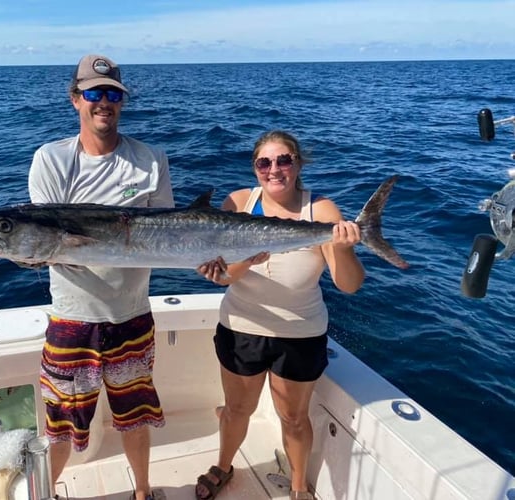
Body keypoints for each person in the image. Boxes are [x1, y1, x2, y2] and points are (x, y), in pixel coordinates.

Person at [28, 54, 174, 500]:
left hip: (132, 315)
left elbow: (172, 232)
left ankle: (143, 492)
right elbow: (46, 243)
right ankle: (46, 492)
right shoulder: (50, 160)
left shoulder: (150, 160)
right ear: (76, 99)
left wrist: (213, 258)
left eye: (112, 94)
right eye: (93, 93)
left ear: (122, 102)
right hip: (73, 319)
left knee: (136, 413)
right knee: (60, 420)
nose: (103, 102)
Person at [195, 130, 365, 500]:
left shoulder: (320, 211)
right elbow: (221, 276)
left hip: (300, 332)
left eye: (284, 160)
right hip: (241, 328)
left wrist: (348, 248)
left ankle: (299, 486)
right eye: (264, 162)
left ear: (298, 164)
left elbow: (349, 285)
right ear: (255, 168)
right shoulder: (238, 202)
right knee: (237, 409)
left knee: (293, 417)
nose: (274, 169)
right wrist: (248, 259)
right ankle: (224, 465)